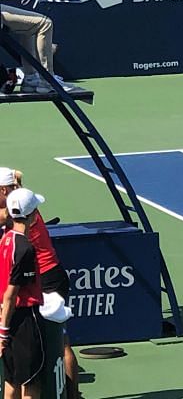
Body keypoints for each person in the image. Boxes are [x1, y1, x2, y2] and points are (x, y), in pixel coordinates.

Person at [0, 169, 79, 399]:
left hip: (48, 278)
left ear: (4, 191)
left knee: (60, 343)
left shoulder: (18, 213)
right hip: (33, 282)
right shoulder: (22, 204)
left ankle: (73, 395)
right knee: (18, 375)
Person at [0, 187, 45, 399]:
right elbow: (11, 293)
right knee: (30, 383)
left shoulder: (5, 239)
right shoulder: (25, 248)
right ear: (33, 215)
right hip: (23, 320)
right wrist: (4, 331)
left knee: (11, 380)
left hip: (6, 317)